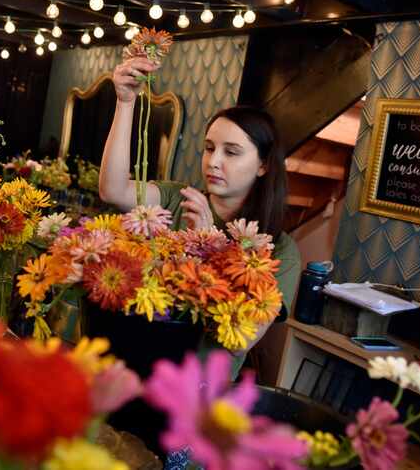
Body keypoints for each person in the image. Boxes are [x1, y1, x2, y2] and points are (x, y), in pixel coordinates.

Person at [99, 56, 302, 358]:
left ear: (263, 165)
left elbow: (240, 342)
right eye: (209, 148)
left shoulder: (281, 252)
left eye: (231, 152)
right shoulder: (177, 199)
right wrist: (126, 102)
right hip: (141, 363)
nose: (214, 161)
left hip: (200, 392)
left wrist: (211, 248)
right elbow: (112, 190)